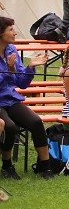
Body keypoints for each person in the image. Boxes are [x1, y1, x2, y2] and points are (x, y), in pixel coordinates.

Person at [0, 17, 53, 179]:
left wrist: (30, 67)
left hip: (11, 99)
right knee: (9, 127)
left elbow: (22, 84)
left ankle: (45, 167)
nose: (14, 33)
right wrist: (8, 70)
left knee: (36, 122)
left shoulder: (11, 50)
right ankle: (7, 166)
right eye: (10, 30)